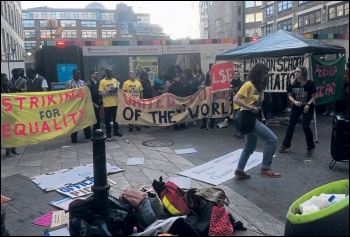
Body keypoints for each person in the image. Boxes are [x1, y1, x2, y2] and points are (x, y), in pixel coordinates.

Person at [233, 63, 280, 179]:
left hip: (252, 115)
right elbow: (236, 99)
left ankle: (239, 170)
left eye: (266, 74)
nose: (265, 76)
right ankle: (265, 168)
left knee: (249, 145)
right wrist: (251, 108)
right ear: (258, 73)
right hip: (247, 116)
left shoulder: (257, 87)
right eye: (264, 73)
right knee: (272, 139)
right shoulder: (248, 84)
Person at [279, 66, 318, 156]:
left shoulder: (309, 83)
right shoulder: (293, 83)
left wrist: (308, 104)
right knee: (291, 125)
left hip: (308, 106)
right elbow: (289, 95)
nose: (296, 73)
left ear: (303, 73)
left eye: (298, 72)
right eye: (295, 71)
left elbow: (315, 95)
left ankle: (311, 146)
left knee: (305, 126)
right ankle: (285, 144)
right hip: (297, 106)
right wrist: (294, 101)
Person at [66, 69, 93, 143]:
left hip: (82, 104)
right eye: (77, 74)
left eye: (80, 74)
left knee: (85, 119)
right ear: (73, 74)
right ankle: (74, 137)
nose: (79, 75)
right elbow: (67, 95)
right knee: (75, 121)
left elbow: (85, 92)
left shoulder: (82, 82)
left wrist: (88, 87)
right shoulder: (69, 83)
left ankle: (88, 134)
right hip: (74, 106)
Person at [99, 68, 123, 138]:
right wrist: (109, 91)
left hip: (115, 102)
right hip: (107, 103)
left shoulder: (115, 80)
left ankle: (116, 131)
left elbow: (118, 90)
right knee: (107, 119)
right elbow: (100, 93)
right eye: (110, 72)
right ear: (106, 73)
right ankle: (108, 132)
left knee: (116, 118)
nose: (112, 73)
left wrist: (117, 90)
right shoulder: (102, 82)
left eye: (112, 71)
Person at [1, 73, 20, 156]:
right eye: (4, 79)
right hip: (3, 116)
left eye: (7, 79)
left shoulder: (9, 88)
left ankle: (14, 149)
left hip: (11, 115)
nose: (6, 81)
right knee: (6, 133)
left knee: (13, 133)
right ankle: (8, 151)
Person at [229, 70, 244, 138]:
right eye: (235, 74)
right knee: (235, 118)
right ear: (233, 75)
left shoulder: (241, 83)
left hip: (240, 103)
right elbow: (231, 93)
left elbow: (242, 92)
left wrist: (235, 91)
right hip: (234, 103)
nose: (236, 75)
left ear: (239, 75)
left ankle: (241, 132)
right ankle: (237, 131)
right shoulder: (232, 83)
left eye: (237, 74)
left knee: (238, 118)